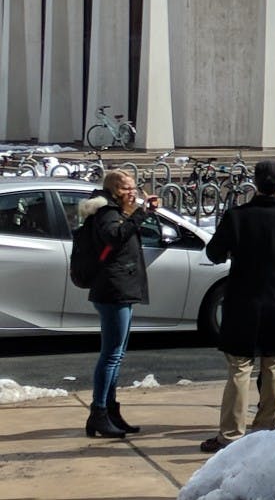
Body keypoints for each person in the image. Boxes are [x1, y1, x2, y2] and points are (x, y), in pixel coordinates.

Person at [199, 160, 275, 453]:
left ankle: (230, 434)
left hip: (242, 302)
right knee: (274, 367)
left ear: (256, 183)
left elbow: (213, 253)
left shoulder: (237, 217)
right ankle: (265, 429)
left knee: (239, 369)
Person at [81, 169, 153, 439]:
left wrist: (140, 212)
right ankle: (99, 412)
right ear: (114, 190)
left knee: (117, 354)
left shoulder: (116, 210)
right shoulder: (107, 212)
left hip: (119, 288)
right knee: (111, 355)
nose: (132, 193)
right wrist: (140, 214)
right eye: (126, 189)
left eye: (134, 187)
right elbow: (115, 236)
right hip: (113, 291)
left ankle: (109, 410)